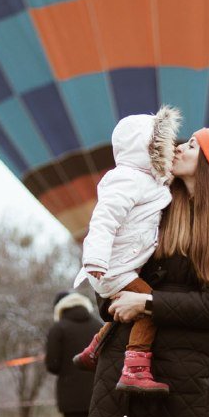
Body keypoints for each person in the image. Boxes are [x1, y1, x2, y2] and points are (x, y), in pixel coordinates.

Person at [87, 128, 209, 417]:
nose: (178, 147)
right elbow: (113, 273)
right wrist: (111, 296)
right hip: (119, 372)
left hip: (182, 378)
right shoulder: (153, 211)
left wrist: (147, 303)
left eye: (192, 146)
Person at [72, 106, 181, 394]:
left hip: (123, 265)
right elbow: (104, 220)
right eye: (165, 145)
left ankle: (95, 348)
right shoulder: (126, 179)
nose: (172, 150)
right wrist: (94, 258)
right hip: (112, 266)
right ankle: (135, 369)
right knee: (149, 307)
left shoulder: (152, 182)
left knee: (127, 311)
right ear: (149, 147)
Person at [46, 291, 104, 417]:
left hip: (70, 396)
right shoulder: (99, 326)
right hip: (98, 392)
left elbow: (52, 364)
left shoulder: (58, 328)